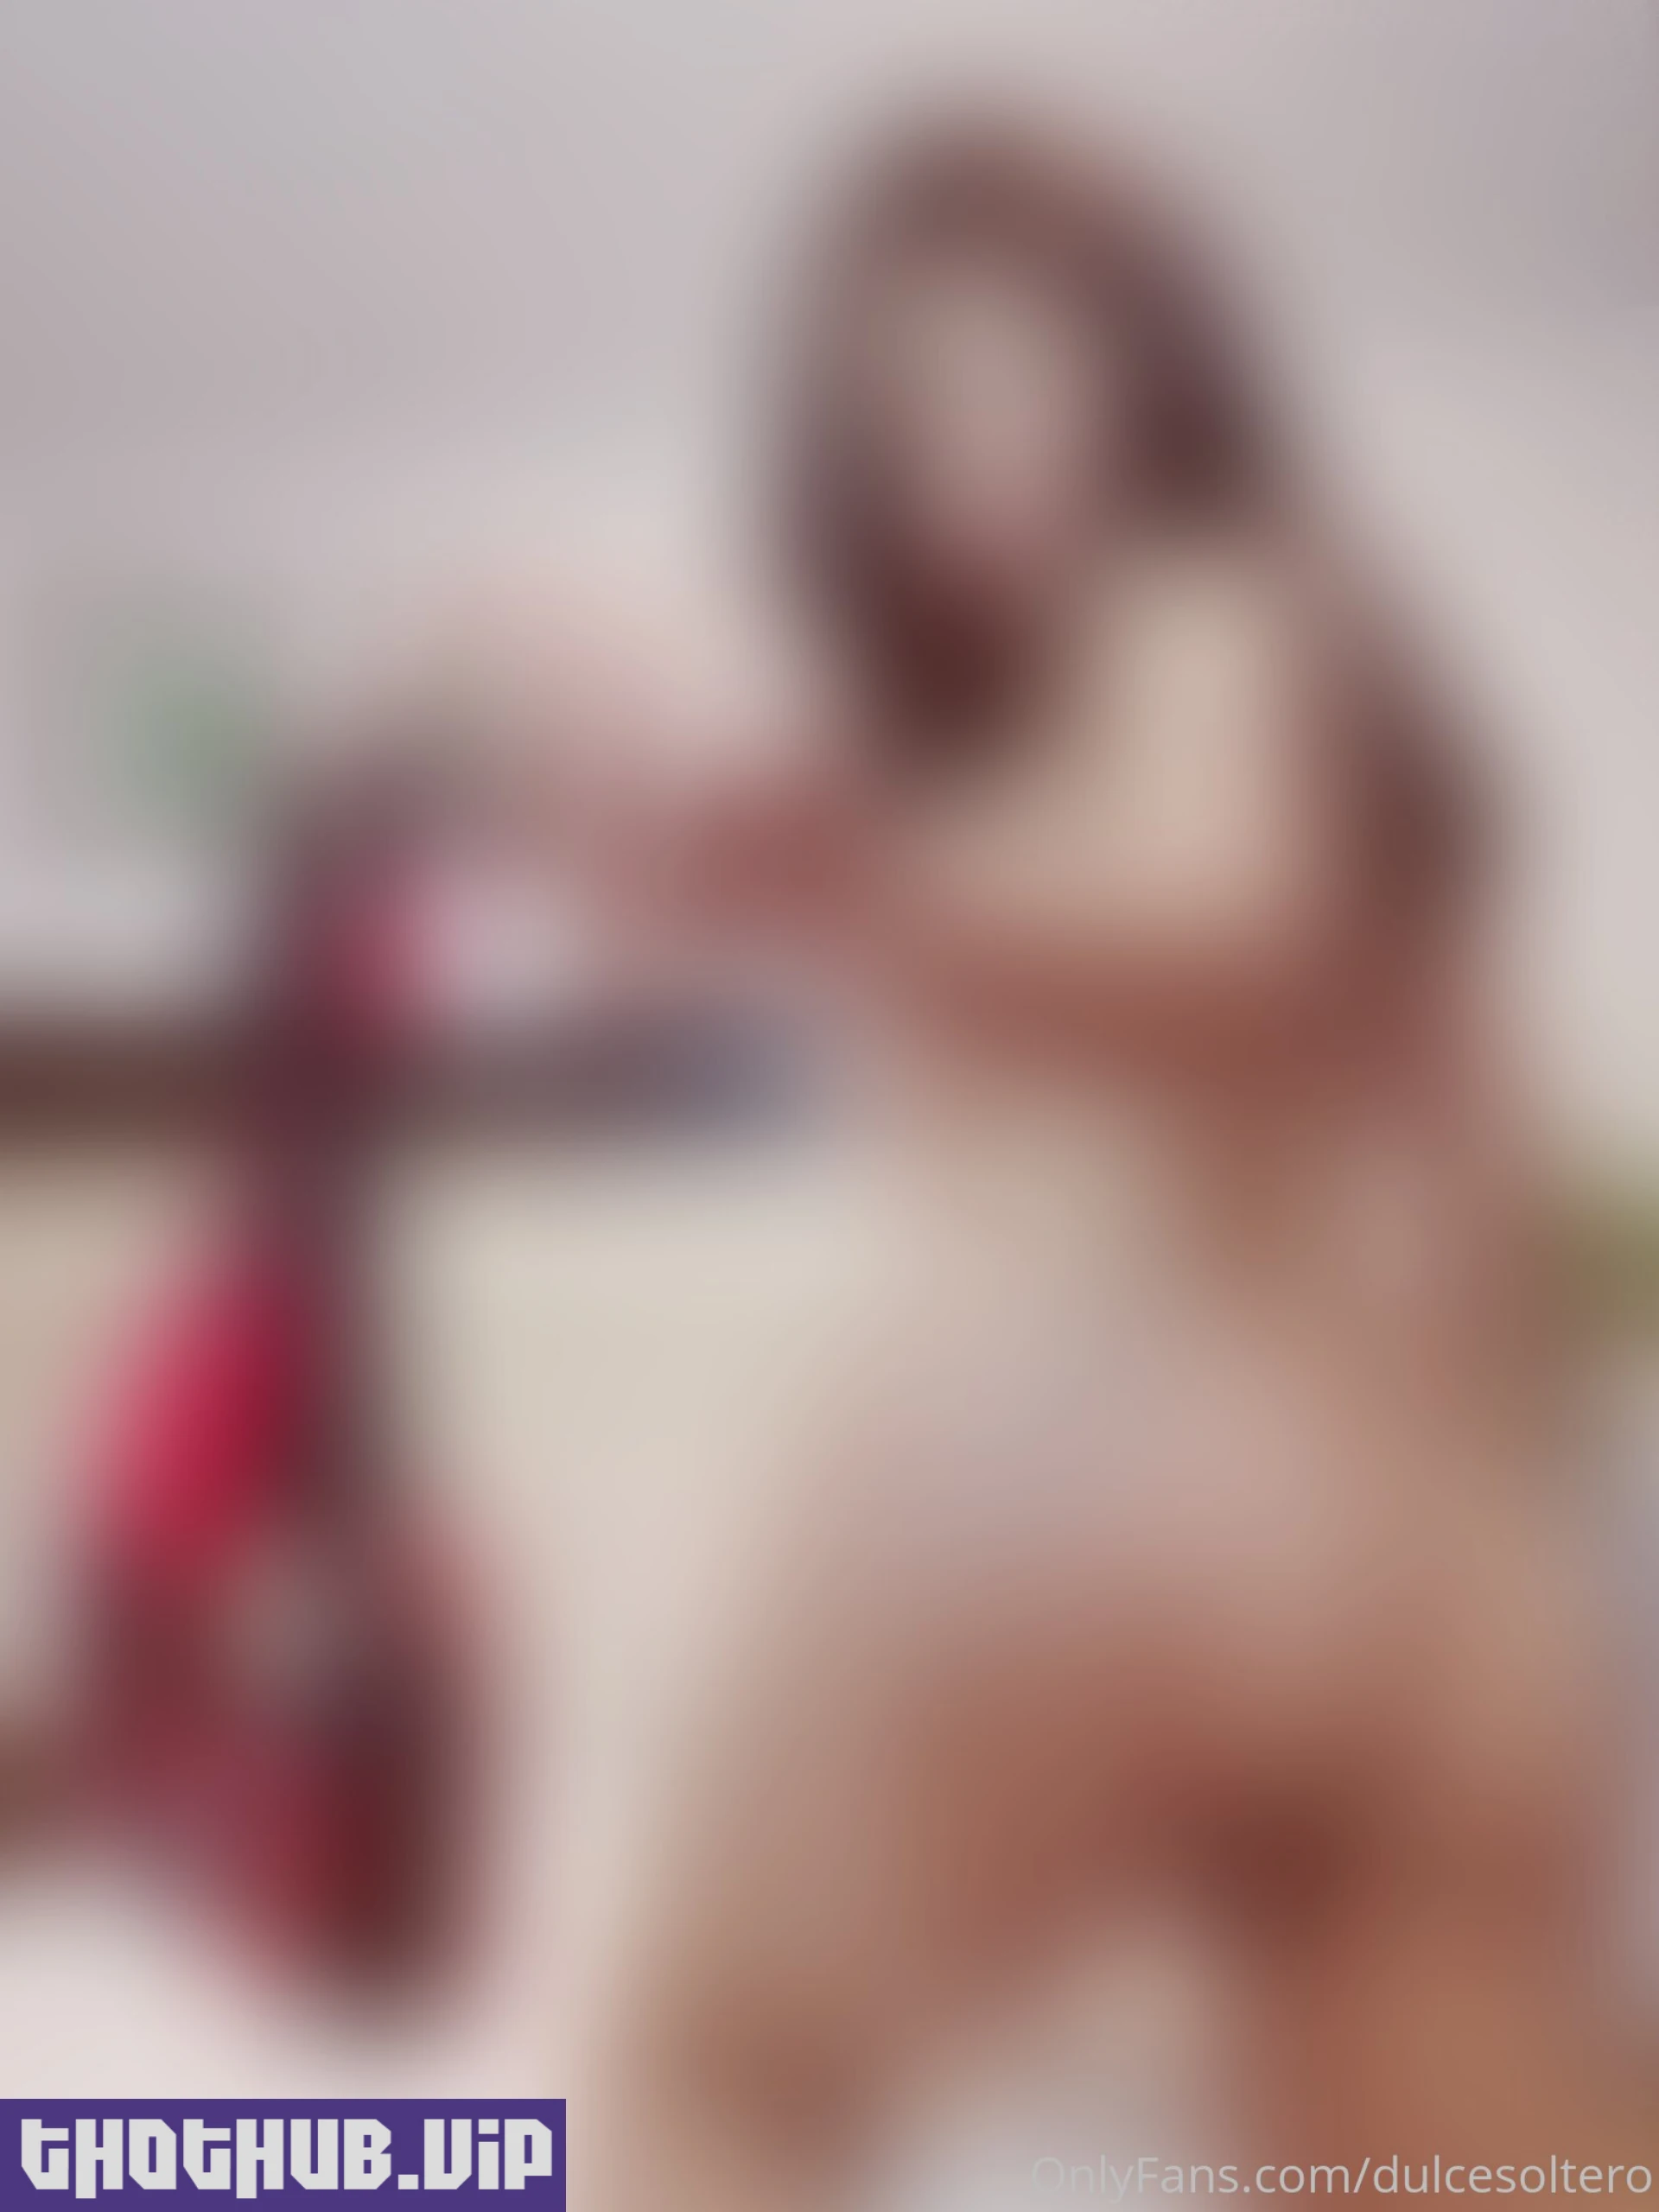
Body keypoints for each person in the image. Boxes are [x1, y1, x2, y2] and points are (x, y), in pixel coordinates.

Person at [523, 117, 1643, 2204]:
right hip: (1451, 1575)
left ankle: (149, 2155)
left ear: (1153, 387)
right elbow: (1429, 1111)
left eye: (1019, 379)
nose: (963, 462)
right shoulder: (1283, 679)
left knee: (710, 2084)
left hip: (1133, 1446)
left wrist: (865, 902)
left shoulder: (1217, 617)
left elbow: (1249, 958)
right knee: (1463, 2158)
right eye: (908, 417)